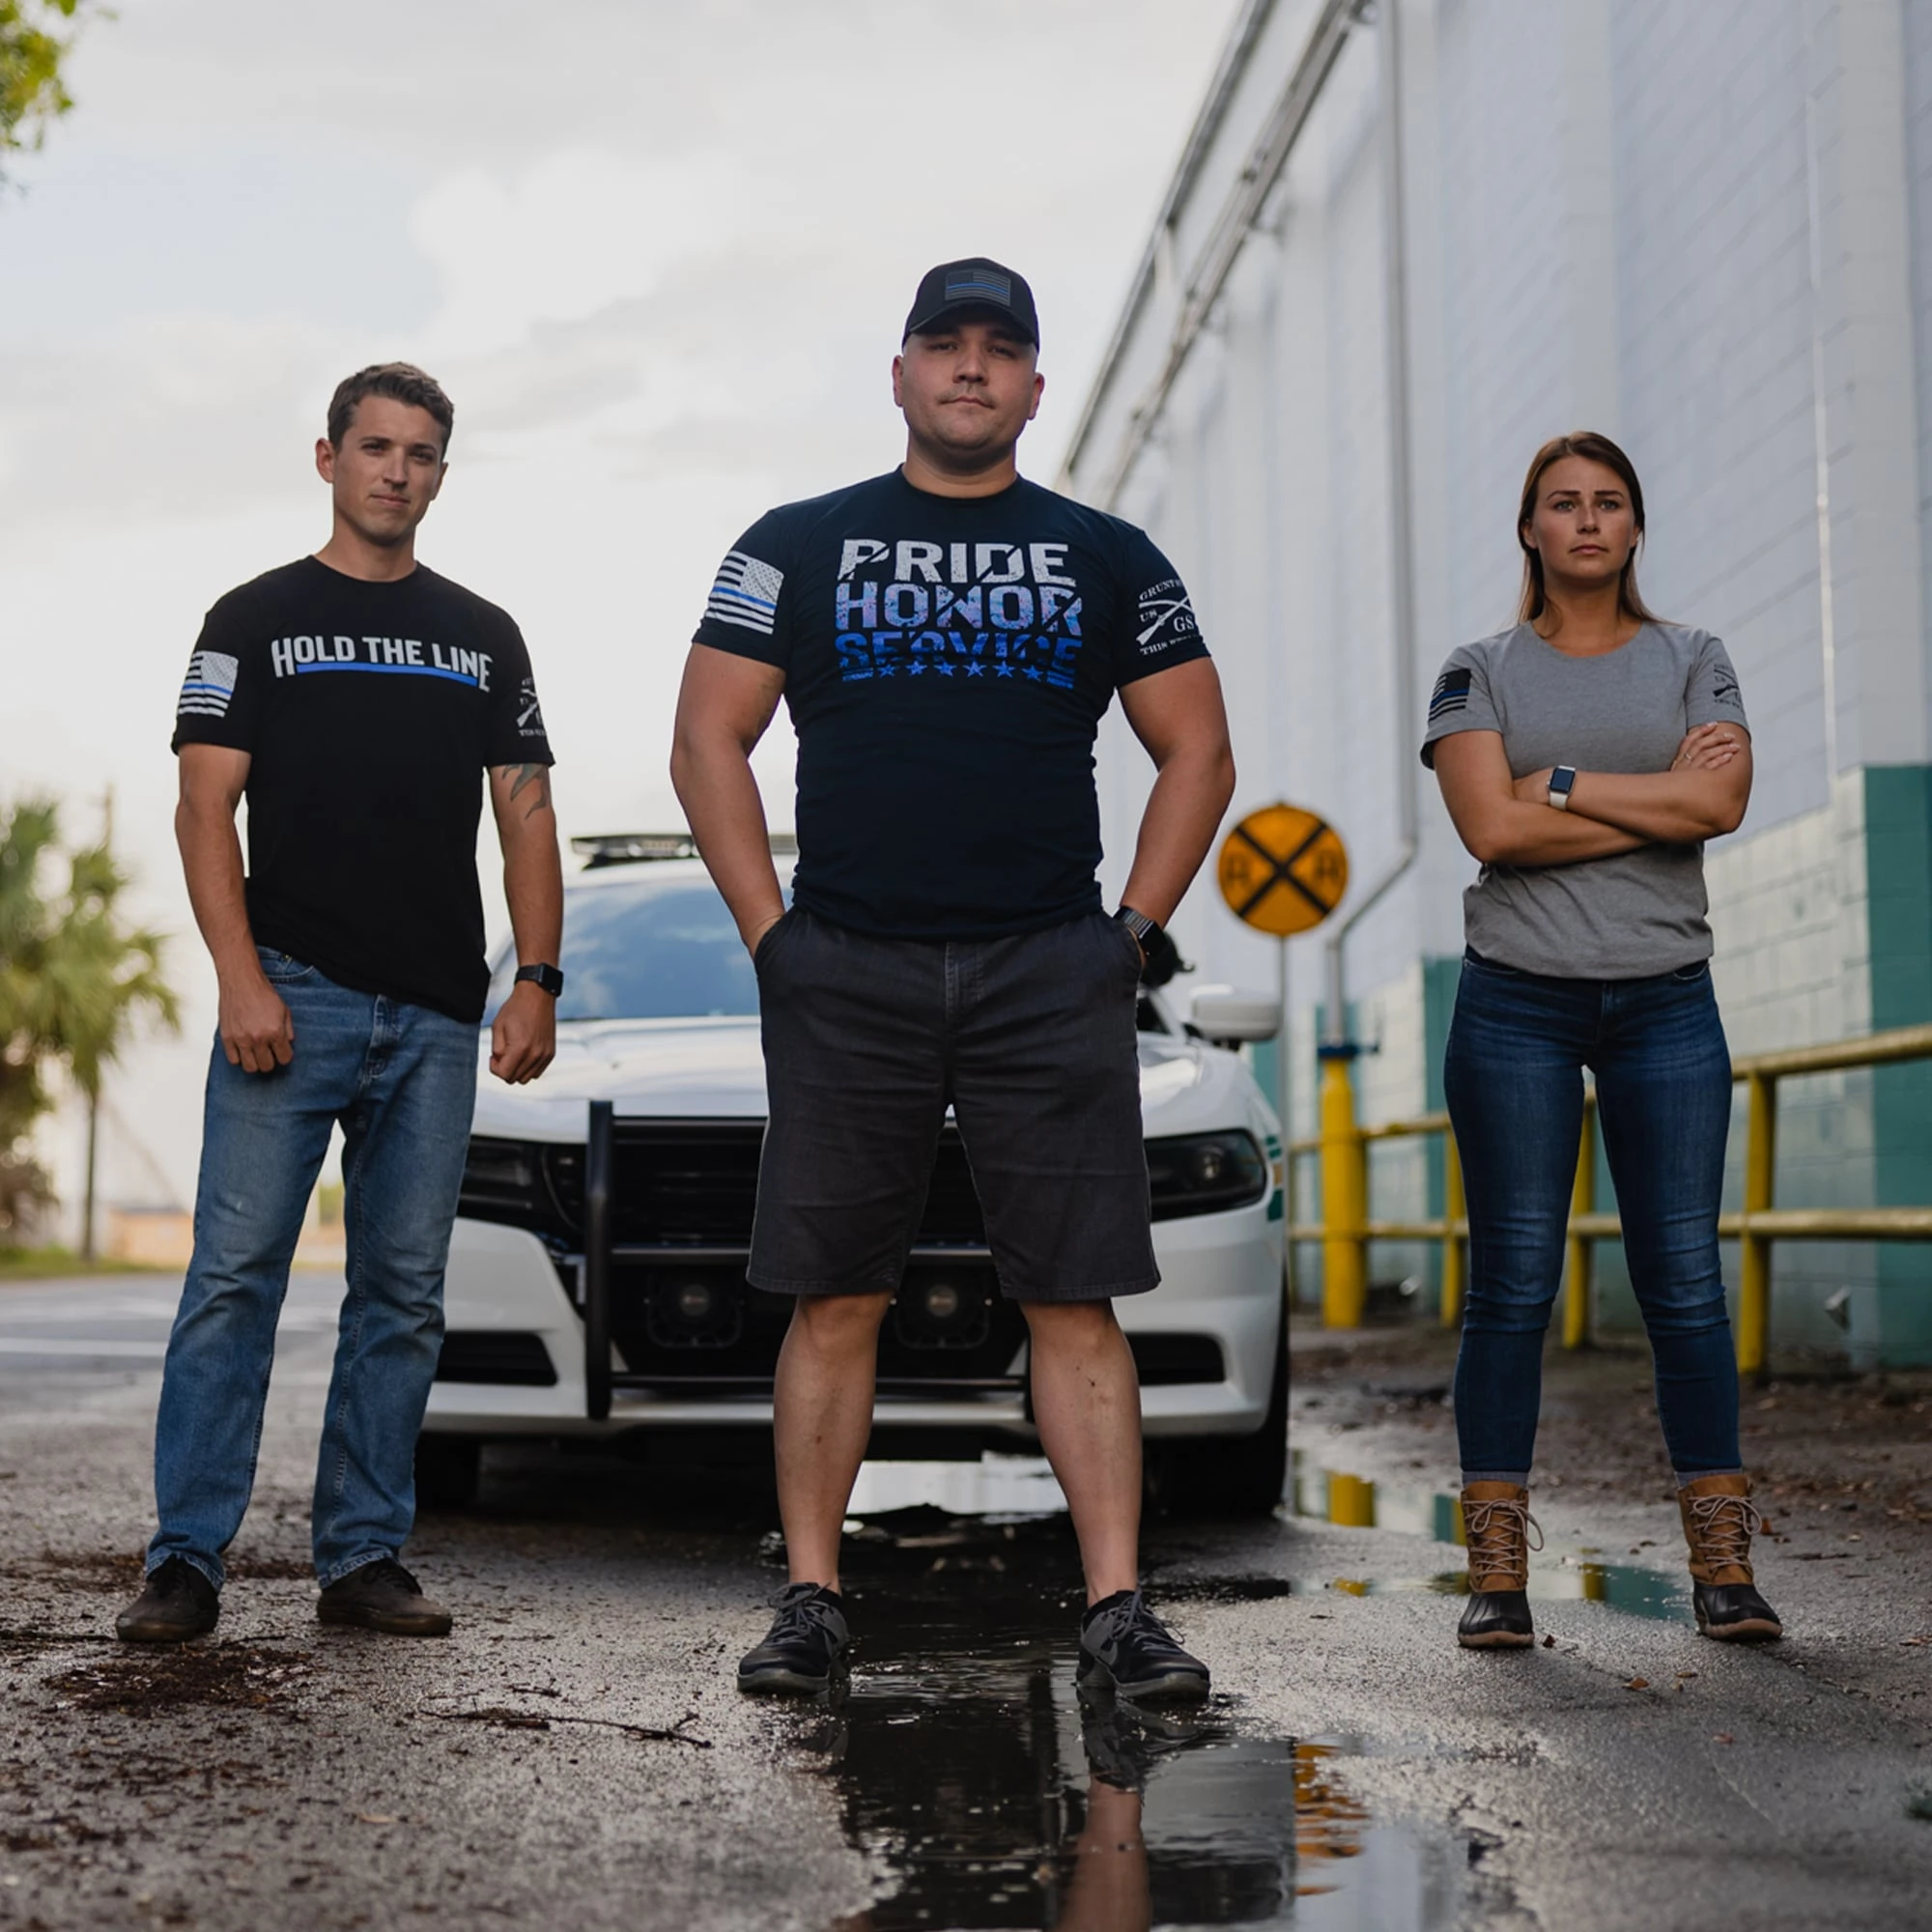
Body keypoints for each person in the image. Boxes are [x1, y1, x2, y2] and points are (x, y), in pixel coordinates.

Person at [670, 259, 1236, 1699]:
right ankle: (810, 1598)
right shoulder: (796, 543)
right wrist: (772, 936)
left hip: (1050, 968)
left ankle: (1116, 1608)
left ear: (1035, 386)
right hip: (847, 966)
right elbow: (706, 740)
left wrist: (1134, 938)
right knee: (834, 1294)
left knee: (1076, 1299)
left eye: (1000, 351)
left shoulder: (1110, 556)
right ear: (903, 373)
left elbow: (1199, 752)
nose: (971, 369)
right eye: (945, 347)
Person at [116, 362, 564, 1643]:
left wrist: (535, 977)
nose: (396, 471)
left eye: (421, 453)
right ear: (328, 458)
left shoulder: (485, 634)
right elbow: (206, 806)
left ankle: (363, 1555)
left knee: (401, 1295)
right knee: (233, 1280)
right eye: (375, 448)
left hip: (434, 1016)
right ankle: (186, 1562)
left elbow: (524, 812)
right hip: (291, 997)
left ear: (439, 472)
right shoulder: (252, 618)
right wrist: (241, 975)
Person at [1423, 429, 1781, 1651]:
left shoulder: (1696, 657)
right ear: (1527, 527)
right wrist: (1641, 799)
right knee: (1510, 1285)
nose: (1585, 520)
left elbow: (1720, 804)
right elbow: (1488, 828)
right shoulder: (1476, 668)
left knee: (1682, 1282)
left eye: (1607, 502)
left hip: (1665, 999)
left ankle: (1722, 1566)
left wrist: (1559, 785)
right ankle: (1495, 1569)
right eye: (1561, 503)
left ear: (1634, 526)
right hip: (1514, 997)